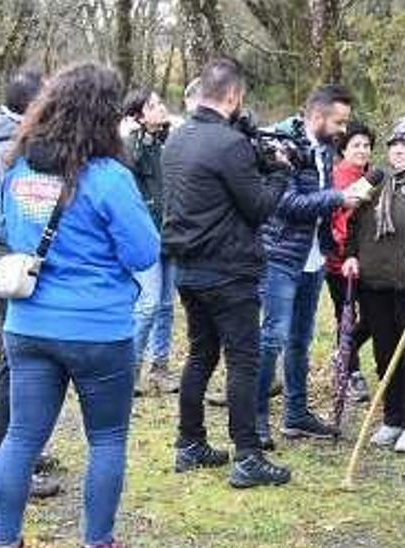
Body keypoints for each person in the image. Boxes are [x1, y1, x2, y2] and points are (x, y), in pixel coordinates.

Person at [0, 62, 159, 548]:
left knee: (22, 437)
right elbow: (144, 252)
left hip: (28, 323)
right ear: (105, 116)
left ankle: (6, 541)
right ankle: (98, 541)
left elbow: (6, 231)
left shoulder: (17, 165)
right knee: (106, 440)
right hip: (97, 329)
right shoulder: (108, 178)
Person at [161, 57, 293, 488]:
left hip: (187, 267)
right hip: (228, 270)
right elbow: (257, 208)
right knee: (243, 359)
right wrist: (280, 173)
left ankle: (190, 443)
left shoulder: (176, 139)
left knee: (201, 353)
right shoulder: (229, 144)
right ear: (234, 96)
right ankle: (248, 456)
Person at [0, 68, 61, 499]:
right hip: (9, 271)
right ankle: (10, 464)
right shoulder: (8, 149)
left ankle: (20, 453)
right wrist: (36, 243)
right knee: (13, 368)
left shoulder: (7, 143)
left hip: (9, 266)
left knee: (11, 362)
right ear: (30, 106)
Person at [254, 84, 361, 445]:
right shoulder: (279, 144)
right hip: (281, 255)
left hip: (314, 257)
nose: (344, 130)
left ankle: (295, 415)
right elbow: (284, 202)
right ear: (317, 116)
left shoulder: (326, 150)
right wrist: (339, 197)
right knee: (272, 338)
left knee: (300, 339)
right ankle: (255, 419)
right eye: (339, 121)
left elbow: (319, 199)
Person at [343, 117, 405, 454]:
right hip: (374, 281)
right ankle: (392, 417)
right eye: (393, 144)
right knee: (384, 353)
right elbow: (353, 222)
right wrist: (351, 255)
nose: (396, 150)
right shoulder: (377, 182)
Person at [121, 88, 177, 397]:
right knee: (148, 304)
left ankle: (160, 369)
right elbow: (130, 168)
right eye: (153, 106)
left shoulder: (167, 141)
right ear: (138, 115)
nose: (162, 109)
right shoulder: (131, 144)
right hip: (147, 234)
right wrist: (138, 135)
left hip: (172, 233)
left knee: (167, 306)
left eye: (160, 103)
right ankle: (129, 371)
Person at [329, 121, 375, 403]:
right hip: (339, 261)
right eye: (356, 145)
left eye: (366, 145)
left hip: (369, 260)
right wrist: (341, 248)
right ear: (344, 149)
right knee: (345, 317)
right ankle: (351, 372)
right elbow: (333, 217)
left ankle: (343, 353)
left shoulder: (375, 177)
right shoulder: (336, 178)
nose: (362, 150)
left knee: (372, 316)